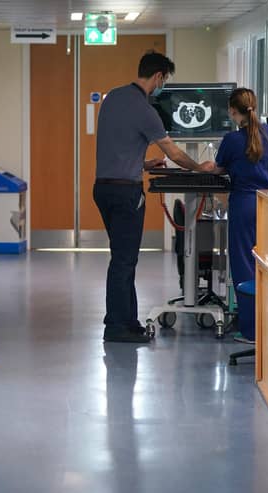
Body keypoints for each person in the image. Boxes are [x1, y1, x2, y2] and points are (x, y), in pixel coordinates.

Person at [94, 51, 216, 344]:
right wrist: (200, 169)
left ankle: (128, 320)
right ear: (159, 76)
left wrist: (143, 164)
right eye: (164, 80)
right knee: (124, 261)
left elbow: (117, 146)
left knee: (123, 258)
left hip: (104, 189)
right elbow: (173, 152)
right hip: (126, 194)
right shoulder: (144, 109)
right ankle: (116, 327)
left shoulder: (112, 98)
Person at [210, 88, 268, 344]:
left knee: (244, 266)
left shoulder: (232, 140)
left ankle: (251, 330)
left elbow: (218, 168)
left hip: (244, 205)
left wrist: (209, 167)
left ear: (232, 111)